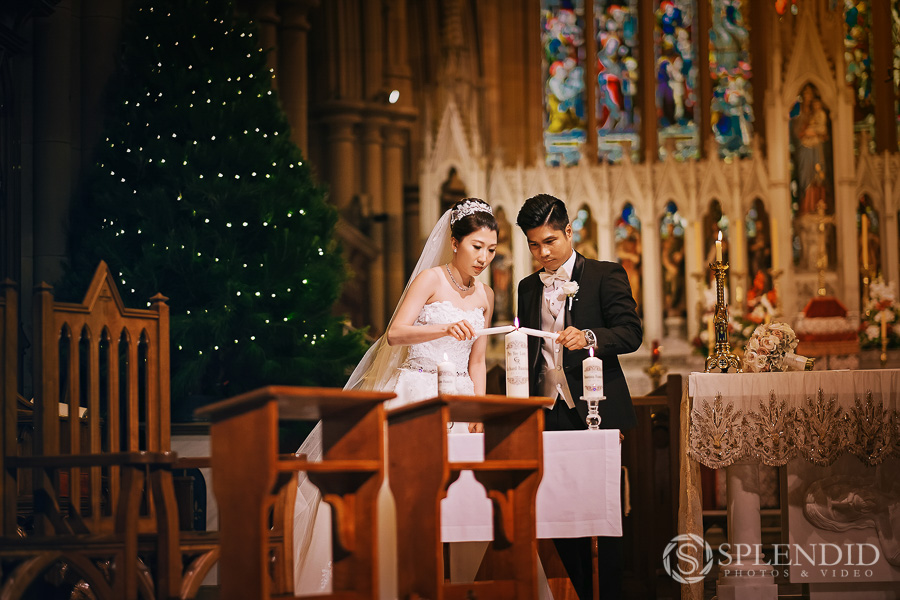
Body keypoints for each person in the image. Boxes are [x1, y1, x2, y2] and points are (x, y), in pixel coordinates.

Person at [293, 198, 499, 595]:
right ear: (455, 242)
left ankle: (455, 585)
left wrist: (479, 409)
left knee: (465, 501)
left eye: (491, 250)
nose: (483, 258)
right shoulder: (430, 280)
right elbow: (396, 333)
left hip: (460, 400)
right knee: (399, 497)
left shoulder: (486, 295)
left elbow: (477, 361)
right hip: (415, 394)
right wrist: (442, 329)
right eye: (477, 247)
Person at [516, 194, 642, 600]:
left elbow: (631, 333)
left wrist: (589, 337)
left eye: (550, 241)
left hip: (595, 410)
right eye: (534, 245)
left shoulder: (606, 274)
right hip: (547, 414)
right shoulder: (527, 288)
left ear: (569, 231)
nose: (543, 253)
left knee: (602, 518)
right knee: (557, 515)